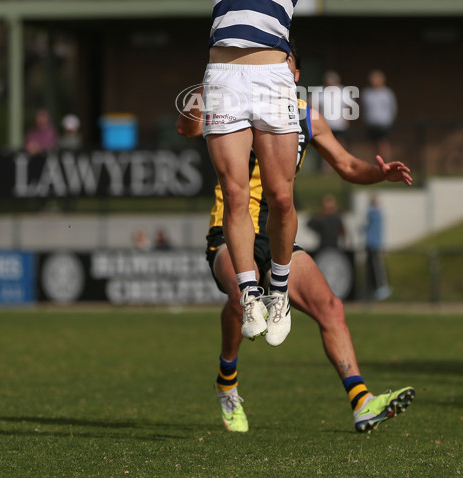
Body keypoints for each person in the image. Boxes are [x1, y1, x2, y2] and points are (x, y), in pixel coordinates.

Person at [176, 49, 415, 434]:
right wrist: (199, 98)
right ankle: (227, 383)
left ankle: (361, 401)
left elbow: (348, 165)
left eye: (280, 59)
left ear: (294, 72)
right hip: (229, 231)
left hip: (278, 237)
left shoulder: (306, 116)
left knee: (331, 307)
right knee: (242, 296)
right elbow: (187, 129)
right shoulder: (230, 102)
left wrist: (379, 173)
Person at [198, 0, 335, 346]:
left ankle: (279, 287)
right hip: (225, 74)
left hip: (275, 75)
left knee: (280, 196)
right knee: (235, 194)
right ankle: (251, 294)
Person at [361, 70, 398, 160]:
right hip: (371, 123)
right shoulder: (366, 93)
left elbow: (393, 108)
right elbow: (364, 108)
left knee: (383, 143)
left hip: (383, 123)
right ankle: (377, 164)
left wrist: (389, 120)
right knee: (373, 145)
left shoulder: (387, 93)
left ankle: (386, 162)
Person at [364, 196, 392, 301]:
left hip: (375, 244)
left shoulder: (375, 213)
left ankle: (378, 288)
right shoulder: (373, 213)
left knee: (376, 267)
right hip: (372, 244)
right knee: (375, 268)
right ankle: (377, 288)